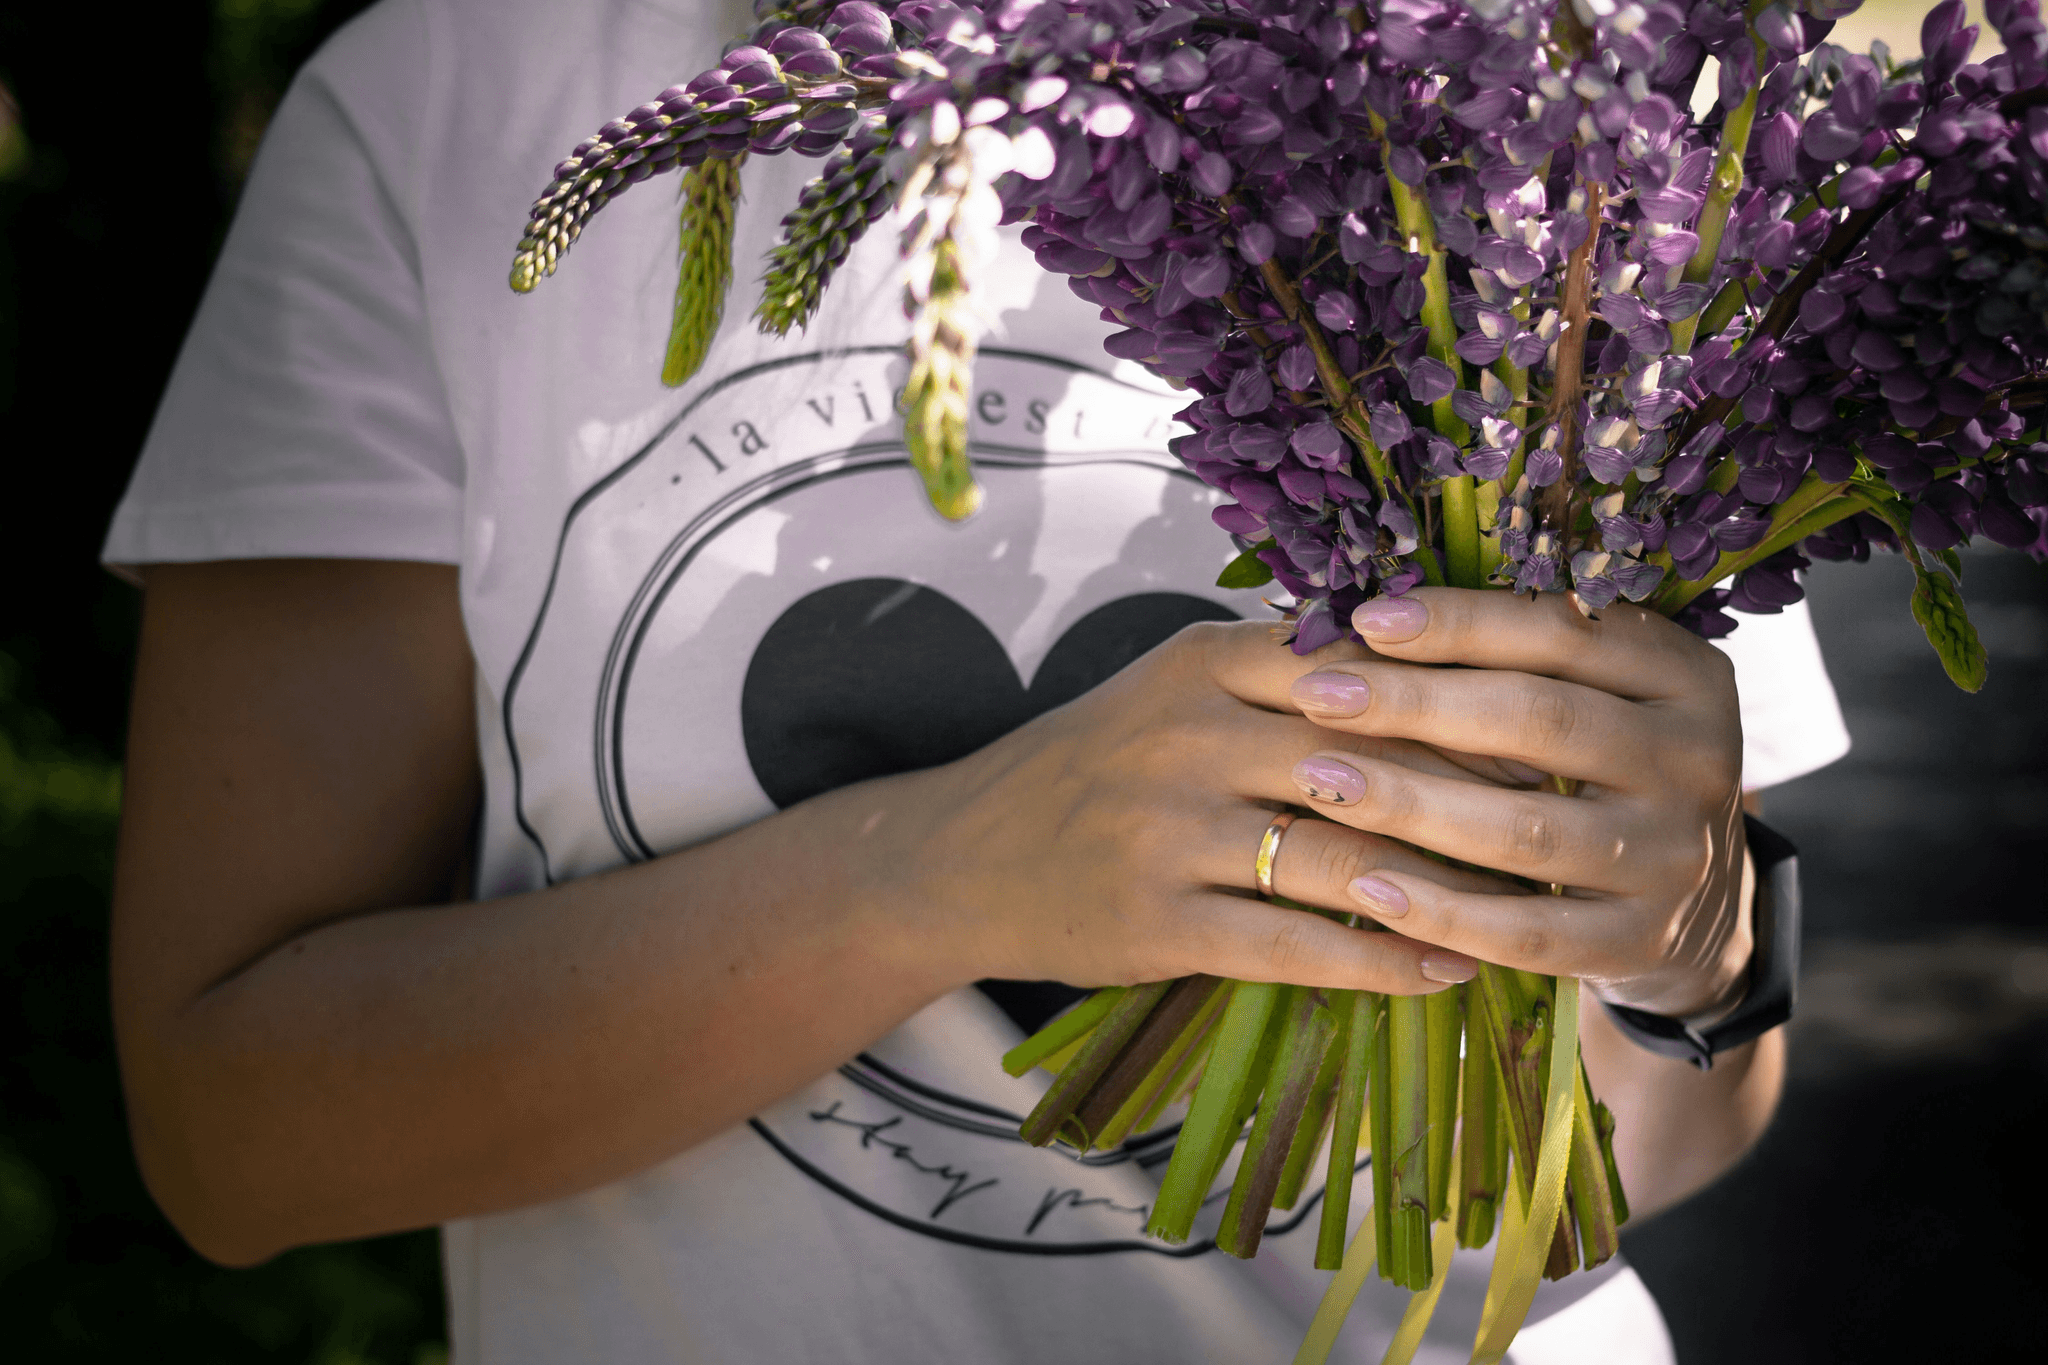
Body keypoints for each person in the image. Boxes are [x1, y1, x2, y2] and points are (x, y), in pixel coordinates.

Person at [104, 1, 1850, 1360]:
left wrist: (1688, 951)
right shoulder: (446, 103)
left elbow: (1677, 1129)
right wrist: (936, 876)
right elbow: (233, 1144)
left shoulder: (1551, 103)